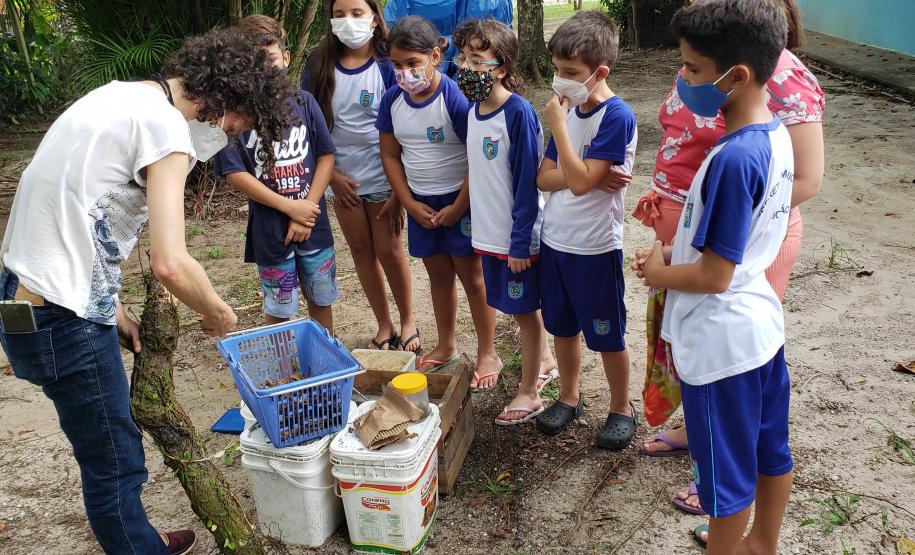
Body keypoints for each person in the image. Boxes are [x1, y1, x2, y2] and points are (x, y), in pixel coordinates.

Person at [0, 28, 293, 555]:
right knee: (114, 458)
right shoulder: (165, 131)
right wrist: (217, 312)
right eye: (239, 126)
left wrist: (109, 309)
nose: (229, 137)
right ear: (229, 100)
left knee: (106, 444)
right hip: (58, 318)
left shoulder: (119, 96)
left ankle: (137, 537)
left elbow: (71, 215)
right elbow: (171, 262)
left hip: (25, 296)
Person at [635, 0, 826, 521]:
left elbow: (715, 276)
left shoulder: (735, 156)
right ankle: (762, 542)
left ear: (737, 75)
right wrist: (684, 243)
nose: (682, 77)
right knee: (768, 448)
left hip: (722, 337)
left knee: (725, 476)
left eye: (692, 68)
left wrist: (659, 269)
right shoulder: (769, 135)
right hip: (757, 324)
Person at [377, 16, 502, 384]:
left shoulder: (455, 98)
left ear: (435, 56)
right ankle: (446, 346)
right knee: (438, 276)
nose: (404, 73)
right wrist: (407, 201)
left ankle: (487, 352)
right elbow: (389, 155)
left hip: (461, 201)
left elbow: (476, 155)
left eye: (412, 64)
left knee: (473, 277)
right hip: (420, 204)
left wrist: (460, 205)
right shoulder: (392, 100)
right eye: (396, 66)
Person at [534, 10, 638, 449]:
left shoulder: (616, 117)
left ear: (600, 72)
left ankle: (621, 407)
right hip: (556, 239)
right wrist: (587, 173)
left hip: (595, 247)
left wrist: (569, 151)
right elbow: (547, 177)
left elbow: (576, 180)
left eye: (570, 73)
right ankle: (570, 396)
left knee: (607, 333)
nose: (560, 81)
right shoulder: (569, 110)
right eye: (557, 71)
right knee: (561, 327)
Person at [453, 18, 559, 424]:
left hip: (516, 242)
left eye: (477, 59)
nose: (466, 67)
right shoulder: (474, 111)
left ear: (501, 66)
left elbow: (524, 185)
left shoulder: (518, 113)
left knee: (525, 313)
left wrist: (519, 244)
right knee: (518, 310)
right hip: (489, 236)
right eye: (463, 57)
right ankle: (544, 363)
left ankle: (530, 392)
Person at [302, 0, 420, 353]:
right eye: (339, 14)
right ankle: (384, 323)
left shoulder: (388, 63)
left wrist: (400, 189)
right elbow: (309, 123)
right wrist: (332, 176)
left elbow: (404, 124)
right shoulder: (319, 62)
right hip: (341, 179)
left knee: (390, 248)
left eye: (356, 13)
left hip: (385, 176)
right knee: (361, 250)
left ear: (374, 17)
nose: (347, 21)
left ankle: (408, 321)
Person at [216, 16, 338, 332]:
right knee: (278, 307)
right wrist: (288, 208)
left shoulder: (305, 103)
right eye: (253, 62)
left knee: (321, 299)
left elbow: (326, 156)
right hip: (271, 231)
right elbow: (234, 172)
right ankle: (281, 373)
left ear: (285, 58)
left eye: (269, 59)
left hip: (314, 224)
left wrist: (304, 210)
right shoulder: (236, 115)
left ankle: (325, 369)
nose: (263, 69)